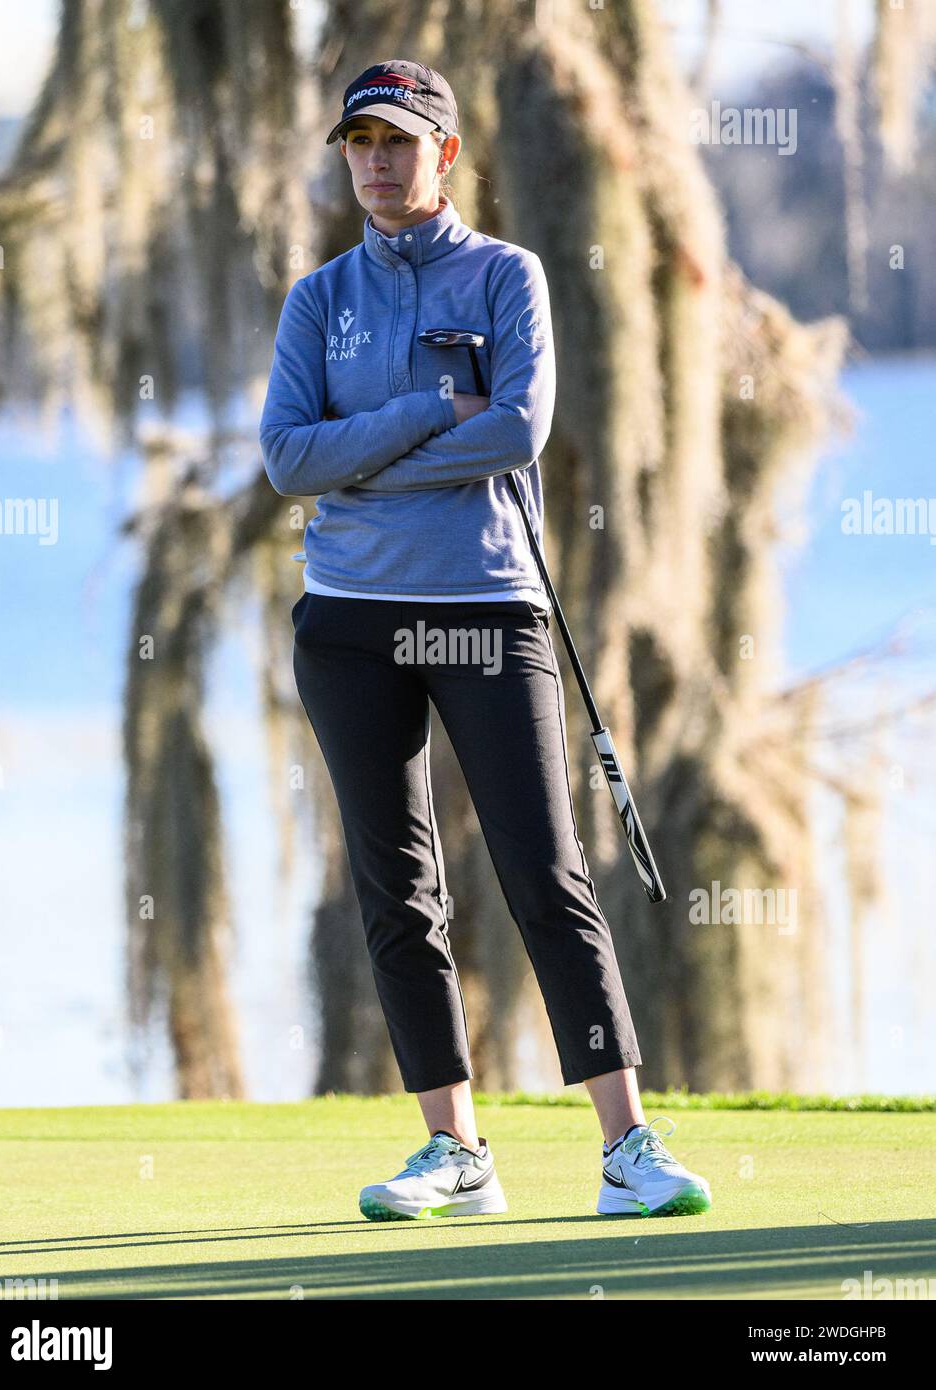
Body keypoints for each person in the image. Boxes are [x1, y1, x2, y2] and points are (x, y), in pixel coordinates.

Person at [259, 59, 712, 1221]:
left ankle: (626, 1147)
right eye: (359, 141)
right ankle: (455, 1150)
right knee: (397, 887)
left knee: (543, 871)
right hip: (348, 624)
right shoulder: (318, 300)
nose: (375, 159)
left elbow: (517, 429)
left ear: (446, 154)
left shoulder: (510, 275)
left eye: (399, 141)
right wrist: (420, 419)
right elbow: (285, 461)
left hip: (487, 611)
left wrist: (359, 452)